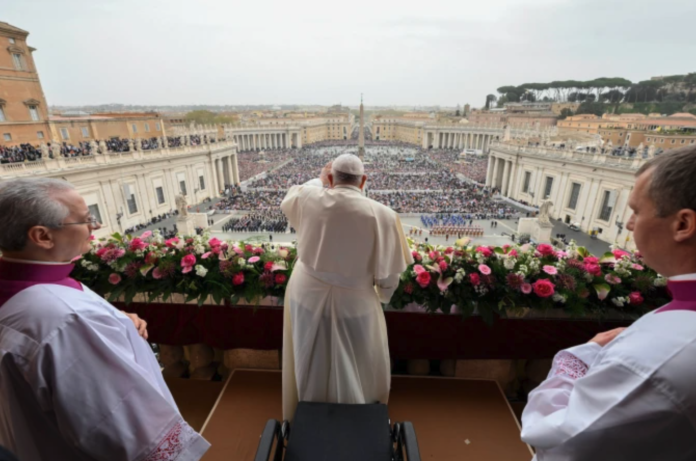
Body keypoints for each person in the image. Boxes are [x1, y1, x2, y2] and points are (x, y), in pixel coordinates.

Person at [0, 178, 210, 460]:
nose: (95, 226)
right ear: (42, 236)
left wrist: (114, 321)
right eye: (86, 219)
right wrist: (94, 325)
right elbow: (120, 425)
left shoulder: (44, 301)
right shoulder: (69, 319)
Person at [521, 146, 696, 460]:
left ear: (683, 224)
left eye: (637, 211)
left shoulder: (658, 354)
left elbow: (550, 434)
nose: (629, 224)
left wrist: (581, 356)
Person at [280, 153, 413, 420]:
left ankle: (307, 413)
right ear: (363, 181)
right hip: (355, 301)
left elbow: (292, 195)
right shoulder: (384, 215)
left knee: (309, 357)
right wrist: (383, 296)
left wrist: (320, 180)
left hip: (306, 294)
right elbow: (389, 278)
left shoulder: (309, 197)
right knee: (358, 362)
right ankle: (356, 418)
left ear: (330, 178)